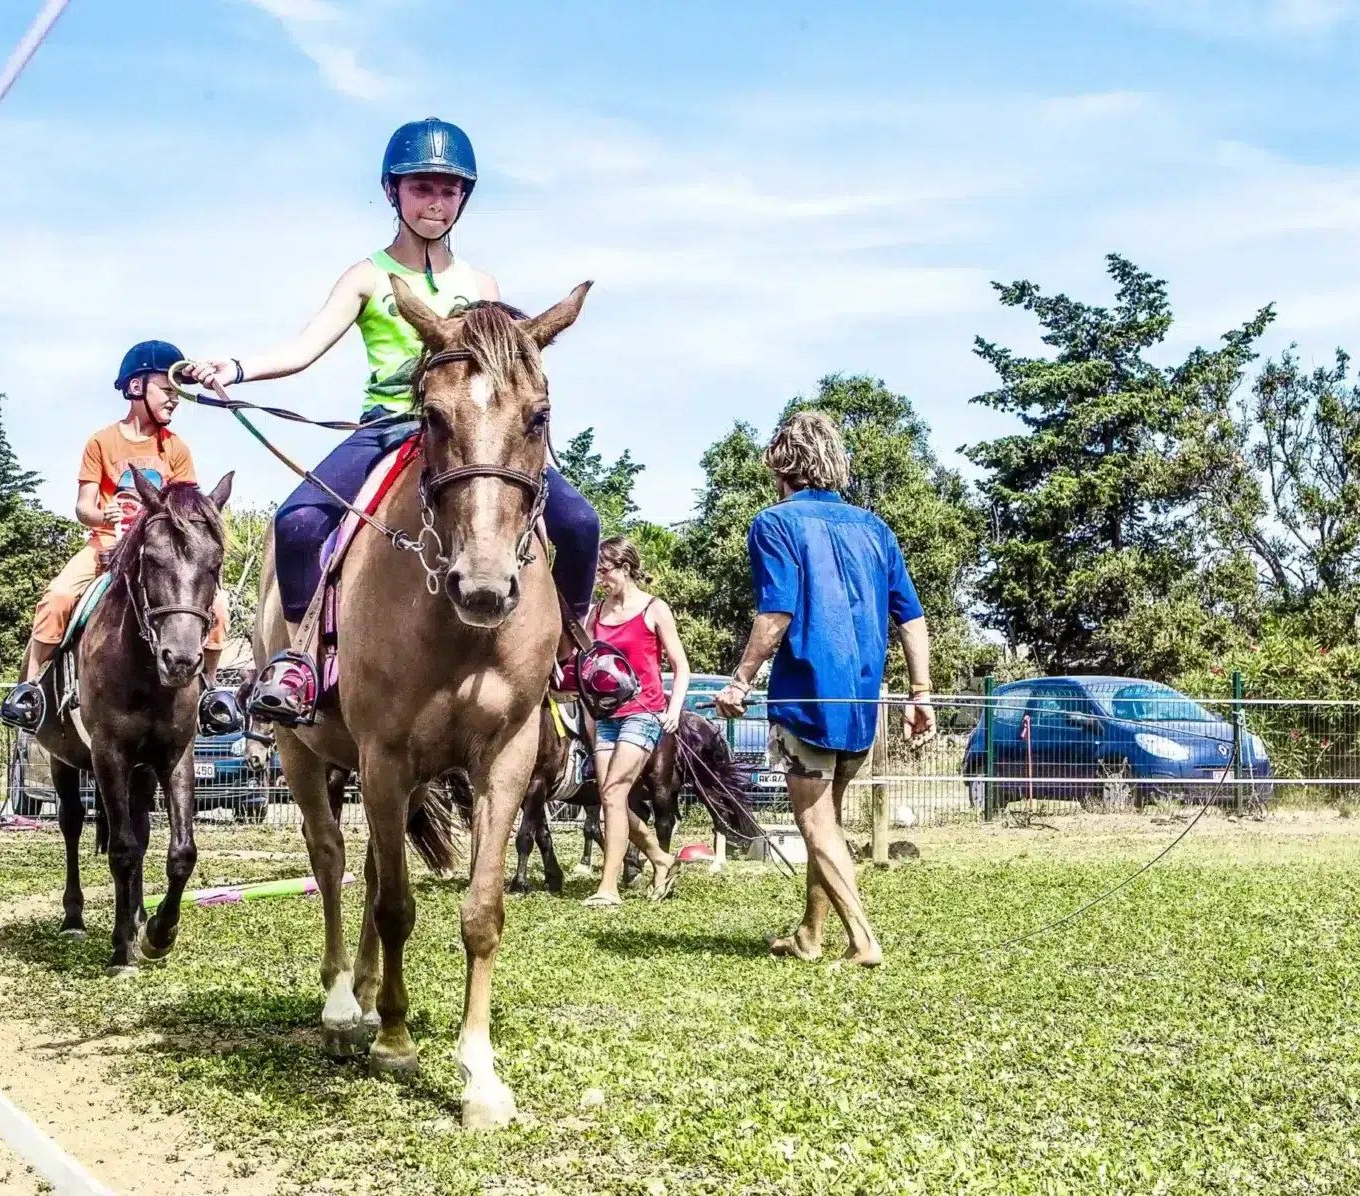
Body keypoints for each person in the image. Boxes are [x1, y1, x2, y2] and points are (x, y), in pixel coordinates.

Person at [178, 118, 606, 725]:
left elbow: (498, 375)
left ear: (464, 199)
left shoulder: (481, 284)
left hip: (472, 434)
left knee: (581, 520)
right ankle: (299, 660)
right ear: (393, 192)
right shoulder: (366, 276)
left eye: (449, 190)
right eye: (421, 188)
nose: (436, 202)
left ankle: (574, 651)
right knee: (297, 522)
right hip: (387, 427)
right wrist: (236, 368)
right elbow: (303, 349)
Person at [714, 411, 935, 967]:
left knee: (815, 824)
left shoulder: (774, 524)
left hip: (809, 697)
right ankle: (811, 934)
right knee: (827, 823)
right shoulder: (874, 528)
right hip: (863, 703)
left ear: (783, 463)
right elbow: (910, 618)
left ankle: (862, 939)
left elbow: (776, 613)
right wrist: (920, 692)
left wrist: (740, 681)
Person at [0, 341, 240, 735]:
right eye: (168, 390)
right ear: (136, 388)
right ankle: (29, 689)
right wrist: (101, 514)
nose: (175, 400)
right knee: (58, 597)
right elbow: (83, 506)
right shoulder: (101, 442)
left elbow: (186, 508)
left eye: (178, 393)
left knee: (221, 605)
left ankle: (209, 691)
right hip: (105, 546)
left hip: (158, 553)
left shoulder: (176, 449)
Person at [580, 538, 691, 906]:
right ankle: (661, 858)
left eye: (604, 570)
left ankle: (608, 888)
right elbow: (587, 667)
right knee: (611, 798)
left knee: (613, 793)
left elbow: (681, 666)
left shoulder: (654, 609)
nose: (600, 577)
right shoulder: (595, 614)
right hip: (605, 717)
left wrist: (673, 710)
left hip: (644, 712)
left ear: (625, 568)